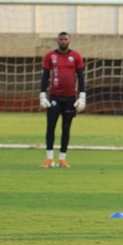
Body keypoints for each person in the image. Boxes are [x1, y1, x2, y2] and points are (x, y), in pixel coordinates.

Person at [39, 32, 86, 168]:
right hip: (55, 96)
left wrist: (82, 96)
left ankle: (62, 159)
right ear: (57, 41)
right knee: (50, 126)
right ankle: (49, 159)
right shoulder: (50, 56)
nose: (63, 41)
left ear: (69, 40)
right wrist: (42, 94)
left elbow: (81, 77)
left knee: (66, 128)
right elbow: (45, 76)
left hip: (70, 97)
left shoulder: (76, 56)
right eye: (61, 39)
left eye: (65, 39)